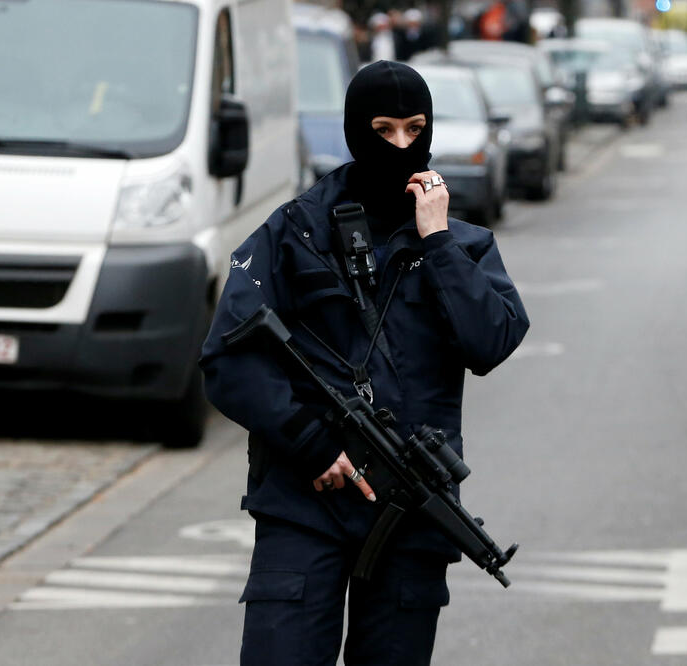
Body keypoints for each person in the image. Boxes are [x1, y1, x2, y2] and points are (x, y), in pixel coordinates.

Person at [200, 61, 529, 666]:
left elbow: (493, 342)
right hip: (305, 499)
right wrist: (311, 442)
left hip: (412, 511)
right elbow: (228, 355)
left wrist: (438, 246)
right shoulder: (296, 232)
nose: (401, 145)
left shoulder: (464, 245)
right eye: (383, 129)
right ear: (356, 131)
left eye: (415, 129)